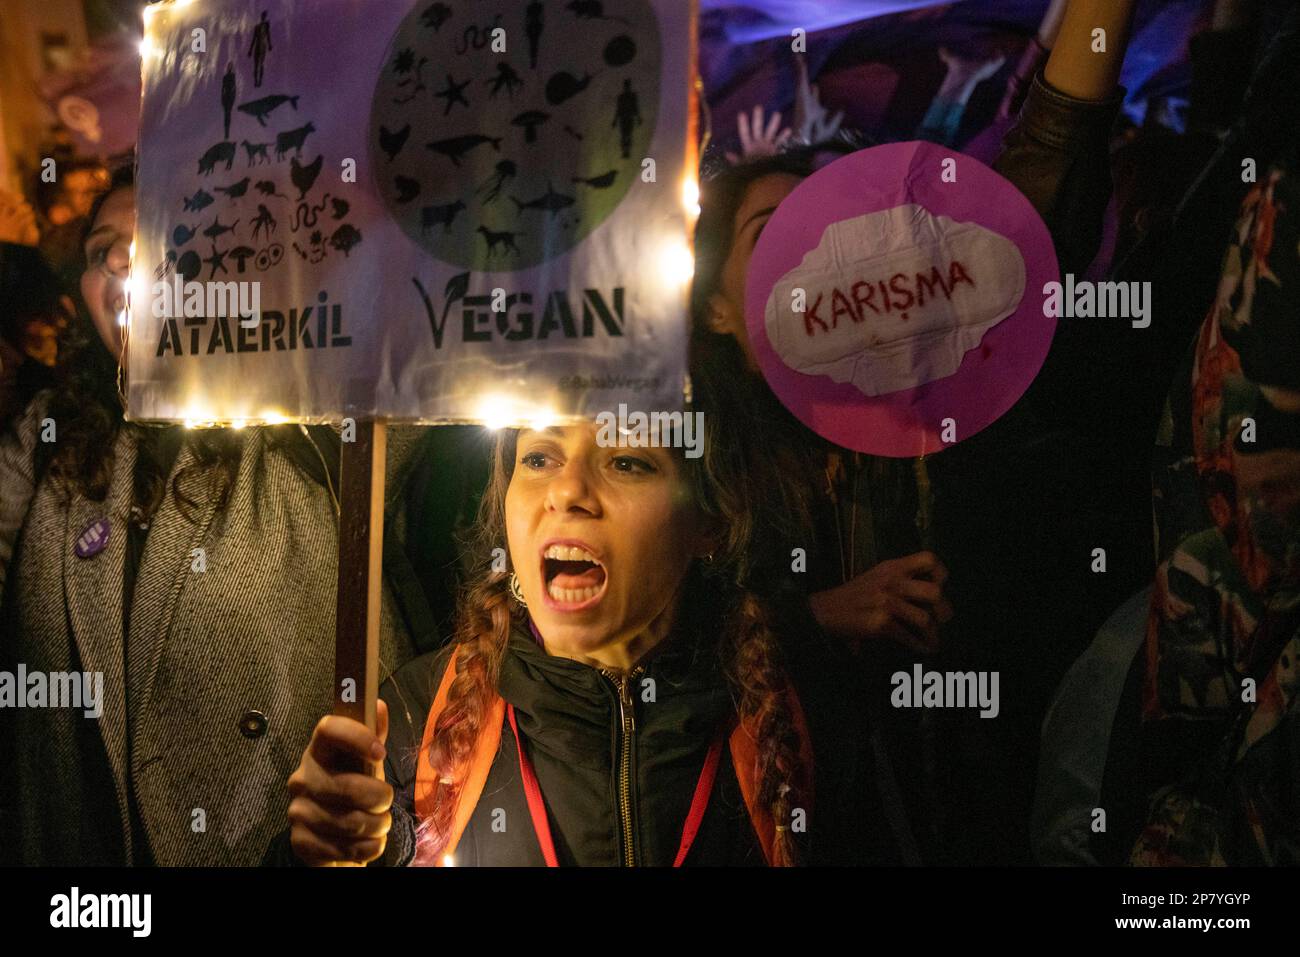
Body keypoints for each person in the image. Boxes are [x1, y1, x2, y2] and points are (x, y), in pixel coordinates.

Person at [689, 0, 1139, 863]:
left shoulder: (951, 407)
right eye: (770, 235)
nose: (809, 260)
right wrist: (812, 621)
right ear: (714, 308)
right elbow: (644, 665)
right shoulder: (692, 470)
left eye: (824, 231)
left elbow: (1047, 163)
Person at [0, 165, 436, 865]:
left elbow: (413, 329)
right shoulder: (47, 436)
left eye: (153, 236)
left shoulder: (312, 414)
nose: (123, 262)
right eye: (101, 251)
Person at [276, 415, 899, 866]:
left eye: (627, 462)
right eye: (539, 458)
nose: (568, 491)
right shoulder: (413, 723)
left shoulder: (806, 715)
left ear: (709, 520)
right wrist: (316, 856)